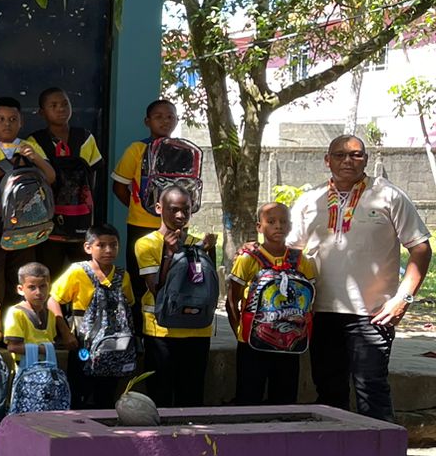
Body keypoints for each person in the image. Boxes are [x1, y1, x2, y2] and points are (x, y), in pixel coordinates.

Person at [289, 134, 431, 421]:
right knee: (329, 393)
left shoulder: (388, 195)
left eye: (356, 155)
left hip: (372, 314)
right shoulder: (309, 200)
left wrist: (402, 300)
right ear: (327, 160)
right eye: (340, 155)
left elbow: (421, 249)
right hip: (320, 312)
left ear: (366, 160)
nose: (348, 161)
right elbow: (292, 253)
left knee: (372, 391)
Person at [227, 201, 320, 407]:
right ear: (259, 226)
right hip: (253, 341)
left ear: (290, 226)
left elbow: (311, 299)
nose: (278, 226)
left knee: (285, 399)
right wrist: (240, 334)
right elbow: (232, 299)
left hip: (289, 343)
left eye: (283, 221)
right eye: (271, 221)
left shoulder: (300, 260)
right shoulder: (248, 259)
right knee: (249, 397)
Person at [134, 186, 217, 408]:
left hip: (197, 328)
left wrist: (210, 252)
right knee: (161, 395)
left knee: (191, 396)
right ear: (159, 208)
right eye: (174, 210)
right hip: (162, 331)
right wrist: (168, 254)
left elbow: (207, 284)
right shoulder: (147, 243)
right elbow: (156, 289)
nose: (180, 216)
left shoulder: (196, 243)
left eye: (186, 210)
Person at [0, 96, 55, 308]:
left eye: (12, 119)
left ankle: (17, 322)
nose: (7, 124)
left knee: (21, 272)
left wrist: (34, 157)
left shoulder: (30, 145)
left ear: (21, 122)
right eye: (1, 119)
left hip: (27, 221)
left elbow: (51, 176)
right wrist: (12, 161)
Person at [50, 223, 137, 409]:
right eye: (101, 245)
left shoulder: (123, 276)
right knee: (80, 387)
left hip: (115, 347)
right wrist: (65, 333)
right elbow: (53, 299)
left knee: (107, 393)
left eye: (113, 245)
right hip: (83, 344)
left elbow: (128, 305)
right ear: (88, 247)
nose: (108, 250)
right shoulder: (77, 271)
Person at [25, 87, 104, 284]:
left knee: (82, 275)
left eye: (64, 104)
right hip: (49, 222)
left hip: (81, 219)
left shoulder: (85, 138)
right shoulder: (35, 142)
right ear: (42, 113)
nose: (60, 109)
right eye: (53, 106)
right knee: (50, 275)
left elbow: (93, 177)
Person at [111, 98, 180, 290]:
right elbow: (118, 187)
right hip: (140, 225)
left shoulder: (184, 151)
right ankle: (138, 320)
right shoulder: (137, 150)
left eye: (170, 117)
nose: (165, 121)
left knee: (173, 276)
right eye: (158, 117)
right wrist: (139, 207)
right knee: (139, 280)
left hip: (176, 226)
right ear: (147, 121)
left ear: (176, 120)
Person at [3, 262, 76, 363]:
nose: (38, 292)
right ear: (20, 289)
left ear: (49, 288)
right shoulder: (16, 313)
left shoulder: (50, 314)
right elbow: (13, 347)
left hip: (47, 368)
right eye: (32, 287)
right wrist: (44, 349)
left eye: (42, 286)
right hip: (26, 369)